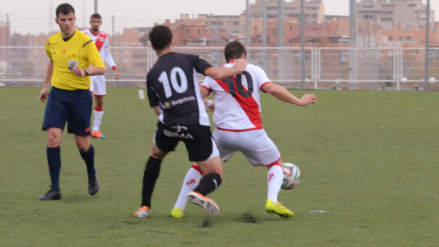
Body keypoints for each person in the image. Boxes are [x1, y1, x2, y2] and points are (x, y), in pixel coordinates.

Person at [170, 41, 316, 218]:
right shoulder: (254, 70)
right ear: (243, 57)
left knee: (201, 164)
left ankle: (179, 207)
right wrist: (299, 101)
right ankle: (272, 200)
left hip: (224, 135)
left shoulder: (217, 73)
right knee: (275, 163)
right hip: (253, 134)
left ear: (226, 58)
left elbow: (196, 97)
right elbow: (273, 89)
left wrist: (208, 104)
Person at [134, 25, 247, 218]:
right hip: (195, 123)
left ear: (152, 47)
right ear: (171, 41)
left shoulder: (152, 75)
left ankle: (144, 207)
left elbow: (157, 110)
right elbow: (216, 74)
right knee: (216, 174)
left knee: (155, 155)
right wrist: (237, 68)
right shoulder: (188, 58)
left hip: (169, 124)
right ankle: (198, 192)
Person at [37, 3, 106, 200]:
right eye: (63, 20)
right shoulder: (51, 42)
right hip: (58, 95)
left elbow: (100, 68)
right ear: (57, 20)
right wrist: (45, 86)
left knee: (82, 145)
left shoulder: (85, 42)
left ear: (75, 19)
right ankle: (55, 189)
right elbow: (52, 62)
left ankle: (91, 173)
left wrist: (84, 71)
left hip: (80, 96)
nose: (67, 23)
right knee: (53, 137)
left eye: (70, 19)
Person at [82, 13, 121, 139]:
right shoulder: (83, 34)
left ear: (101, 23)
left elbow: (106, 53)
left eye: (98, 21)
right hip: (88, 72)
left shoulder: (104, 36)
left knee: (100, 101)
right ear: (90, 22)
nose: (95, 24)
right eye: (93, 21)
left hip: (99, 73)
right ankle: (85, 127)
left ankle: (96, 130)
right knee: (89, 98)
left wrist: (114, 69)